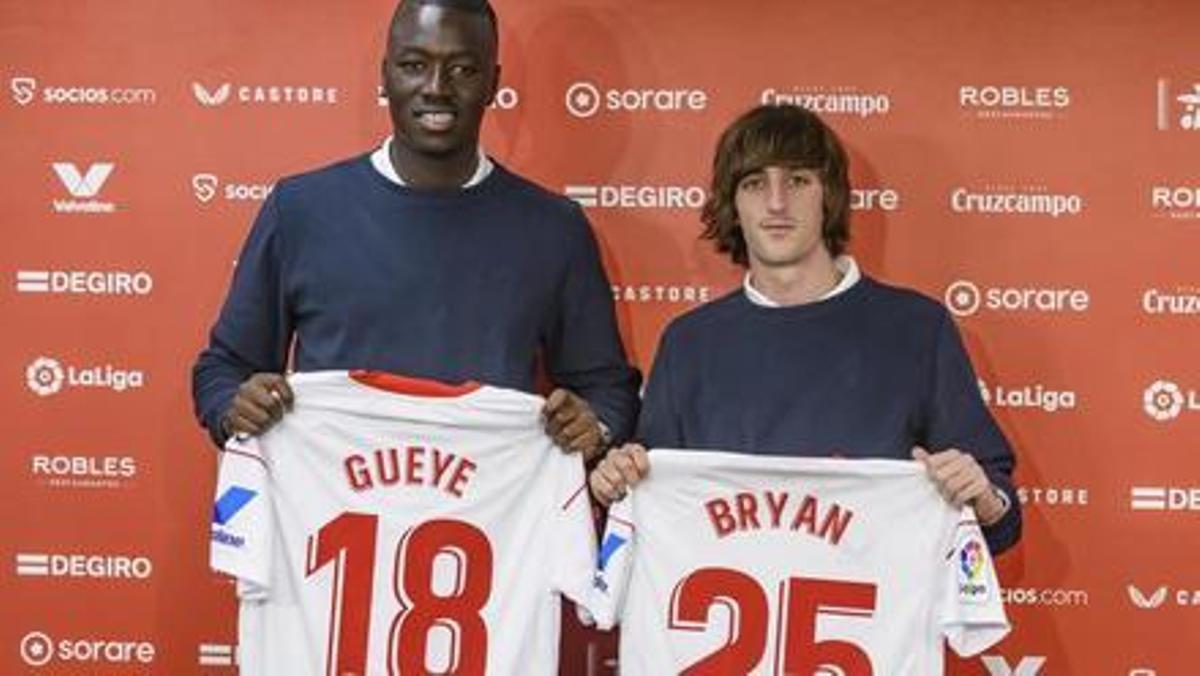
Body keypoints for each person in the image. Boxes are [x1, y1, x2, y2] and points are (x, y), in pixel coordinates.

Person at [192, 0, 639, 459]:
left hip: (492, 516)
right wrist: (234, 406)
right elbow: (224, 370)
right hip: (331, 512)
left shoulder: (554, 229)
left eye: (463, 69)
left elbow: (609, 390)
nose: (436, 88)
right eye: (414, 65)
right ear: (385, 76)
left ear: (493, 83)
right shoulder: (301, 209)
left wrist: (595, 427)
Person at [589, 104, 1020, 554]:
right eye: (755, 184)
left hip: (878, 618)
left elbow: (999, 517)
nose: (777, 203)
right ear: (732, 205)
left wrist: (987, 501)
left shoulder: (917, 329)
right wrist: (613, 491)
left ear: (828, 194)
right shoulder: (690, 344)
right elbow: (648, 515)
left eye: (797, 180)